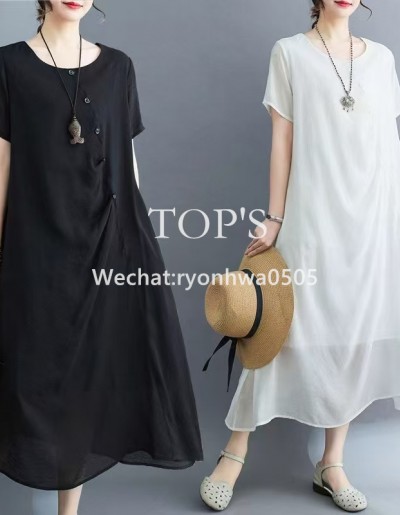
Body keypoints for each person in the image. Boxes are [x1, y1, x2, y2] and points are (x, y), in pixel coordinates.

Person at [0, 1, 203, 513]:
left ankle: (68, 511)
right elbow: (2, 165)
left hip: (107, 248)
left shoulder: (118, 67)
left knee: (89, 378)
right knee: (30, 375)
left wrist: (139, 248)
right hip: (36, 248)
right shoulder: (8, 66)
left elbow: (127, 165)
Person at [200, 0, 400, 511]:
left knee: (351, 333)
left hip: (370, 223)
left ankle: (331, 463)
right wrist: (275, 217)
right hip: (311, 215)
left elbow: (387, 145)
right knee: (278, 326)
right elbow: (282, 139)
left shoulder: (382, 59)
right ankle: (234, 453)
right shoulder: (289, 53)